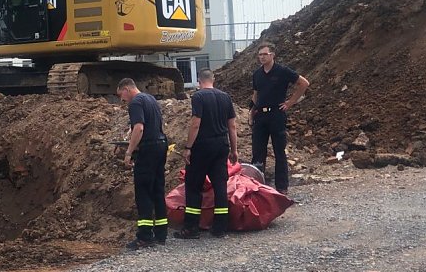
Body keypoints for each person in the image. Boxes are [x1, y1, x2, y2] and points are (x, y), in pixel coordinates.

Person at [176, 68, 238, 239]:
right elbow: (232, 126)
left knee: (193, 185)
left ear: (199, 81)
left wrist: (188, 147)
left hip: (202, 146)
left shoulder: (198, 97)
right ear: (214, 79)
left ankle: (191, 228)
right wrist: (234, 150)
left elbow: (196, 123)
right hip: (221, 145)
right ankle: (220, 227)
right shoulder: (225, 97)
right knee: (220, 185)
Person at [249, 43, 310, 194]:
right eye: (260, 55)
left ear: (272, 55)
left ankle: (282, 187)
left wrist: (290, 102)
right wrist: (252, 111)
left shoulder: (282, 71)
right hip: (260, 116)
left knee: (279, 151)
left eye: (265, 54)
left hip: (276, 115)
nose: (262, 57)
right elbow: (256, 93)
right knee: (258, 152)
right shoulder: (257, 74)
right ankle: (257, 185)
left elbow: (304, 83)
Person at [117, 78, 169, 250]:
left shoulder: (136, 102)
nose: (122, 100)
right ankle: (161, 233)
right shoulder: (150, 99)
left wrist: (129, 152)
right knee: (157, 189)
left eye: (121, 96)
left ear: (126, 89)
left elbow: (139, 128)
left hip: (148, 149)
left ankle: (145, 236)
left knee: (144, 191)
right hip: (161, 145)